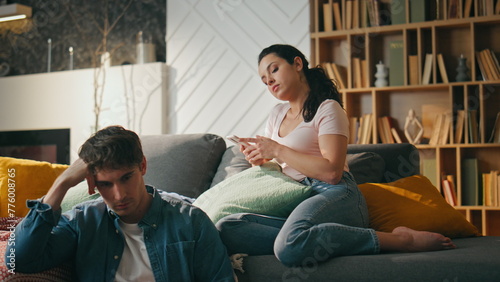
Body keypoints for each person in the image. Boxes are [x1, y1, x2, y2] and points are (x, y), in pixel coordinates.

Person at [216, 44, 456, 267]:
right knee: (228, 227)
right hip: (296, 196)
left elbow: (332, 172)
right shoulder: (277, 114)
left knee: (288, 248)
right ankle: (309, 237)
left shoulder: (327, 109)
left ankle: (402, 240)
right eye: (265, 80)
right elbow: (281, 162)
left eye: (274, 70)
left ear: (298, 64)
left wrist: (277, 149)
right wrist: (261, 157)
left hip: (335, 193)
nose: (270, 81)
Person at [5, 125, 235, 281]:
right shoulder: (83, 221)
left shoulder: (190, 221)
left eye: (126, 178)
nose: (119, 195)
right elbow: (18, 259)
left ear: (142, 166)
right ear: (93, 183)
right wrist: (62, 183)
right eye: (106, 184)